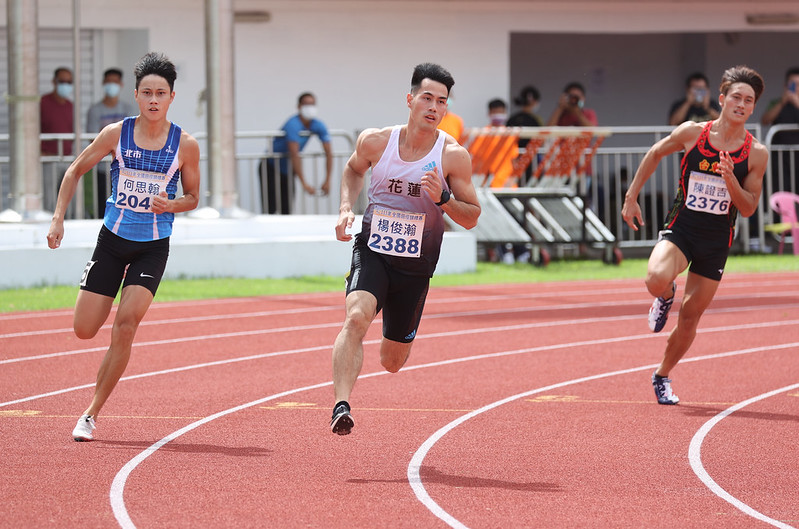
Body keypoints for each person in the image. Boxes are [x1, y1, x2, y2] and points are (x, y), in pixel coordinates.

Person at [45, 52, 201, 441]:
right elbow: (74, 169)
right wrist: (57, 218)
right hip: (111, 242)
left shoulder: (186, 144)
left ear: (171, 97)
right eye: (146, 92)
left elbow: (194, 196)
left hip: (152, 247)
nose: (153, 99)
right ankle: (99, 298)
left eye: (160, 93)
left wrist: (174, 203)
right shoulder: (116, 133)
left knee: (126, 325)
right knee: (84, 330)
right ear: (136, 95)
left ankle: (91, 413)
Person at [330, 63, 481, 435]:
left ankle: (394, 328)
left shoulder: (453, 156)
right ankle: (341, 405)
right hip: (374, 251)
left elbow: (472, 216)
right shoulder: (377, 141)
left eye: (441, 101)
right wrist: (346, 207)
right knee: (355, 317)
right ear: (410, 99)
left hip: (415, 267)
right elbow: (353, 170)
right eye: (427, 98)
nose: (433, 107)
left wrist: (442, 198)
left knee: (392, 361)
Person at [621, 65, 768, 405]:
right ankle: (665, 294)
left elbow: (747, 208)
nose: (741, 105)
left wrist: (730, 178)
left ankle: (661, 375)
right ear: (722, 99)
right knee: (655, 278)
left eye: (748, 100)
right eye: (736, 97)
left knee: (690, 318)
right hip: (683, 228)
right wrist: (631, 197)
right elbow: (655, 153)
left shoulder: (756, 153)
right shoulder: (693, 133)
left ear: (753, 107)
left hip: (716, 241)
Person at [259, 92, 334, 214]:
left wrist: (327, 180)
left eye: (312, 104)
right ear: (299, 106)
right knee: (270, 209)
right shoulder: (292, 124)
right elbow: (294, 153)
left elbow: (329, 152)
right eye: (306, 104)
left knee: (287, 208)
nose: (310, 108)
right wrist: (304, 183)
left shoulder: (317, 125)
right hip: (271, 166)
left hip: (287, 169)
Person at [87, 67, 136, 218]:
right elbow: (93, 138)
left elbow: (132, 135)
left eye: (115, 82)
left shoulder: (128, 108)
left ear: (121, 84)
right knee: (103, 206)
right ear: (103, 83)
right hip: (103, 167)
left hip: (125, 168)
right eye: (109, 82)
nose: (112, 85)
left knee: (124, 207)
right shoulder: (95, 110)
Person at [40, 67, 75, 213]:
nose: (65, 85)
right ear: (54, 82)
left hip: (67, 159)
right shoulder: (43, 103)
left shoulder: (70, 105)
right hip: (49, 159)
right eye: (62, 81)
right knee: (49, 199)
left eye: (69, 82)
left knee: (69, 198)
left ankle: (69, 223)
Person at [760, 67, 799, 192]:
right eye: (793, 85)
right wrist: (783, 102)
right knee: (780, 188)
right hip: (780, 157)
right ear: (786, 86)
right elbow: (765, 120)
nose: (796, 88)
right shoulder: (777, 102)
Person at [507, 85, 543, 185]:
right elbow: (541, 139)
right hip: (530, 159)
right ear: (535, 102)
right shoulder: (535, 120)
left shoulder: (512, 118)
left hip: (515, 158)